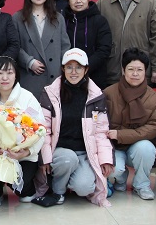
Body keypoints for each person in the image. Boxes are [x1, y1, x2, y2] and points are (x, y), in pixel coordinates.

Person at [36, 48, 114, 206]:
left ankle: (68, 180)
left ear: (86, 69)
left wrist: (106, 160)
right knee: (68, 159)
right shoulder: (51, 93)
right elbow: (44, 129)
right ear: (63, 69)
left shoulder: (96, 95)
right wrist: (45, 158)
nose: (73, 72)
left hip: (84, 153)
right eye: (69, 67)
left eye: (78, 67)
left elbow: (101, 132)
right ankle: (58, 191)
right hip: (59, 151)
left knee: (84, 187)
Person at [0, 55, 46, 206]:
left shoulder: (28, 98)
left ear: (16, 75)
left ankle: (26, 189)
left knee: (22, 190)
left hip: (22, 154)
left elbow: (39, 129)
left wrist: (26, 152)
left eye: (9, 73)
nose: (4, 78)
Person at [103, 48, 156, 200]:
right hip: (113, 146)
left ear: (145, 71)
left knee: (147, 148)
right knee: (114, 170)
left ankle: (142, 184)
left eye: (139, 70)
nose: (135, 74)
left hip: (136, 146)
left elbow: (154, 127)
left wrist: (121, 135)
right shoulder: (109, 93)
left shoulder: (153, 98)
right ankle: (120, 178)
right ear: (123, 70)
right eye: (131, 69)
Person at [13, 0, 71, 100]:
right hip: (29, 77)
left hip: (54, 78)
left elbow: (65, 47)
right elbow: (14, 46)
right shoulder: (18, 18)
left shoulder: (58, 18)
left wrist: (64, 71)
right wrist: (29, 62)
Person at [63, 0, 113, 89]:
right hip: (67, 76)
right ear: (68, 0)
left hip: (94, 76)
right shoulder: (62, 21)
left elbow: (104, 49)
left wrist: (84, 68)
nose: (78, 1)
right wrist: (71, 69)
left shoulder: (99, 21)